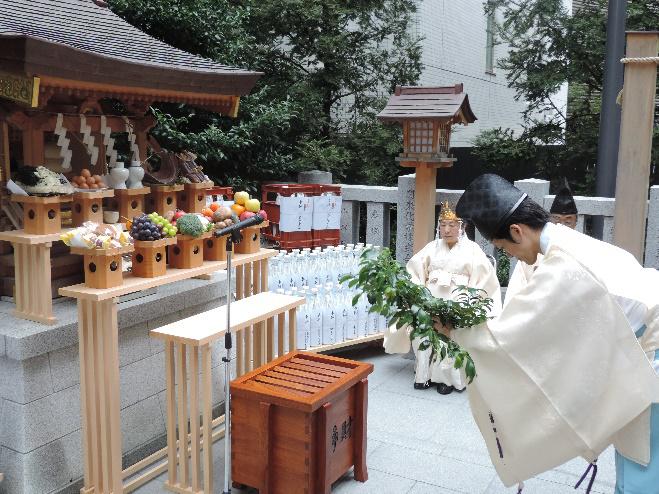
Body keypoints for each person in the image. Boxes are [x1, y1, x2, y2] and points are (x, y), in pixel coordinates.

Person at [450, 173, 659, 493]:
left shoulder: (561, 263)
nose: (508, 256)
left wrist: (458, 332)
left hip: (651, 351)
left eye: (502, 248)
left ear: (517, 231)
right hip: (639, 339)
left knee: (642, 461)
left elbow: (512, 339)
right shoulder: (561, 240)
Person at [383, 202, 501, 395]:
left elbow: (483, 281)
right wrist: (418, 296)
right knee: (421, 328)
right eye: (443, 224)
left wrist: (467, 304)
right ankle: (423, 375)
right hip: (429, 300)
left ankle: (448, 378)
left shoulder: (473, 250)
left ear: (463, 227)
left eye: (452, 225)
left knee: (450, 332)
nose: (447, 230)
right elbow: (415, 271)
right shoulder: (431, 247)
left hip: (458, 301)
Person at [505, 177, 579, 304]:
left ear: (575, 222)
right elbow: (515, 294)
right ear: (549, 221)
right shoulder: (533, 251)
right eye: (557, 220)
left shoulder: (582, 250)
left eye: (567, 221)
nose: (561, 226)